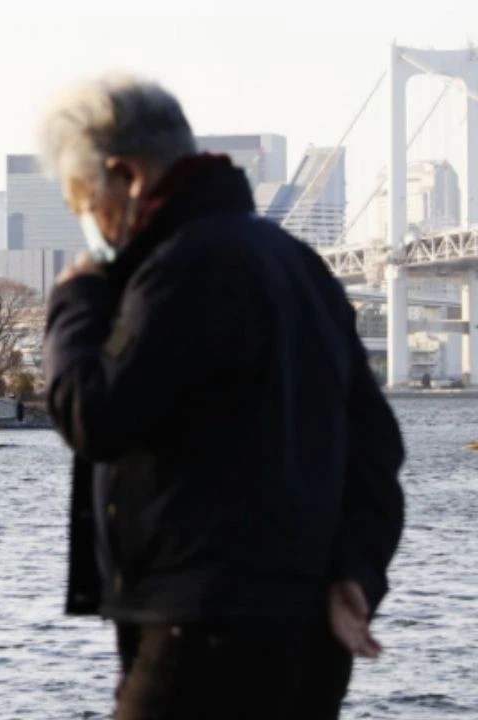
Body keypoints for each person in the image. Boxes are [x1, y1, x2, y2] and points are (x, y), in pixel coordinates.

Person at [39, 74, 405, 719]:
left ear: (123, 176)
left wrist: (76, 298)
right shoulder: (297, 263)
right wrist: (356, 573)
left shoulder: (181, 269)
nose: (87, 223)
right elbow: (375, 447)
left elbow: (95, 413)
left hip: (204, 628)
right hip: (307, 632)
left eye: (83, 198)